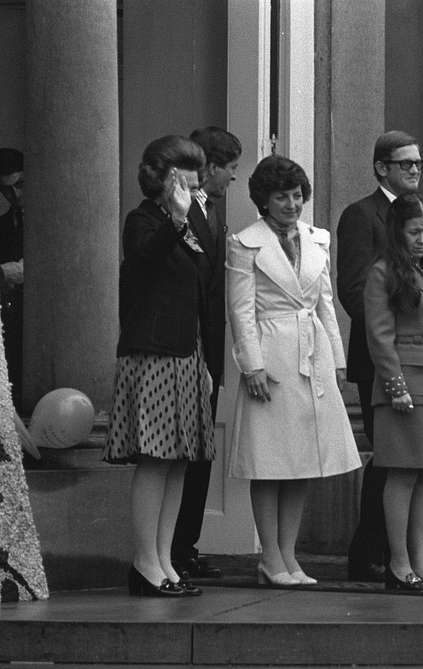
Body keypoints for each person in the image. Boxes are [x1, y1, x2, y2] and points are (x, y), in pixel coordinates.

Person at [226, 155, 361, 586]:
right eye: (281, 196)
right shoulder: (245, 243)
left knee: (303, 460)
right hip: (270, 352)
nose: (291, 204)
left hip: (312, 354)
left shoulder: (315, 239)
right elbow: (240, 311)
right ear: (264, 201)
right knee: (269, 459)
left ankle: (289, 553)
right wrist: (252, 366)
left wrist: (337, 362)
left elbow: (325, 303)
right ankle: (269, 555)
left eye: (297, 195)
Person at [103, 135, 216, 597]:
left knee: (178, 464)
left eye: (195, 180)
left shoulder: (189, 222)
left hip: (186, 353)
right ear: (163, 180)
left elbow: (200, 289)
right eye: (183, 179)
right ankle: (144, 562)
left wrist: (205, 357)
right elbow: (145, 257)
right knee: (154, 460)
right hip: (151, 354)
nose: (192, 187)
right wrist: (176, 213)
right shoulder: (144, 220)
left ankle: (165, 559)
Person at [338, 130, 423, 582]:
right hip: (381, 357)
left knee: (414, 460)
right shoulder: (362, 215)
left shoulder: (421, 215)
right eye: (405, 163)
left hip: (421, 362)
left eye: (418, 163)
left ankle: (401, 555)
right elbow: (353, 289)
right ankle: (368, 553)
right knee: (390, 456)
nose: (414, 170)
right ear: (381, 168)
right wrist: (390, 330)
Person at [364, 191, 423, 591]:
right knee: (401, 475)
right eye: (415, 231)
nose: (422, 239)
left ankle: (420, 563)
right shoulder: (383, 272)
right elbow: (380, 337)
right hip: (404, 385)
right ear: (397, 231)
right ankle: (399, 565)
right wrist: (395, 386)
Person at [171, 126, 241, 582]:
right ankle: (175, 549)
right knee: (185, 454)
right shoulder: (183, 216)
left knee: (201, 453)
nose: (232, 179)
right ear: (210, 167)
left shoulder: (213, 213)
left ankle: (186, 546)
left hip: (209, 352)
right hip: (185, 349)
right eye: (230, 169)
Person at [0, 148, 24, 413]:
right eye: (6, 190)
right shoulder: (3, 226)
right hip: (11, 321)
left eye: (20, 185)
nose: (15, 196)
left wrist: (5, 272)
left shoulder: (55, 220)